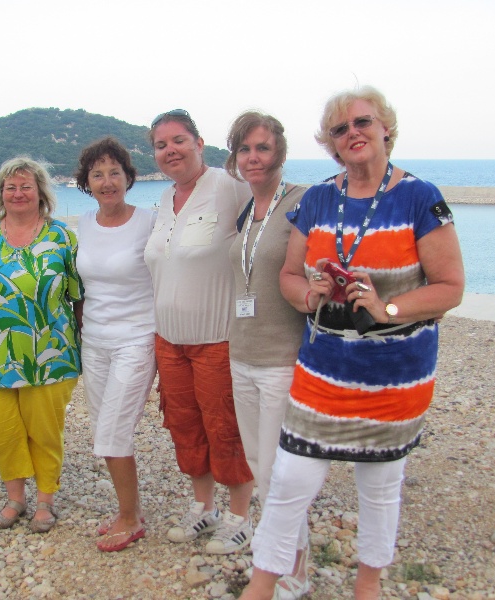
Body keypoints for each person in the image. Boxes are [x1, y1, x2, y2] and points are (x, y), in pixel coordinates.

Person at [241, 87, 464, 600]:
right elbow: (289, 276)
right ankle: (260, 588)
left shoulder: (420, 197)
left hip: (393, 377)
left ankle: (368, 589)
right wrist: (309, 295)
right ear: (330, 142)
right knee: (288, 482)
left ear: (386, 127)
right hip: (322, 372)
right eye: (340, 129)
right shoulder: (318, 198)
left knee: (380, 491)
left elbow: (450, 287)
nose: (352, 134)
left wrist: (387, 308)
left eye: (362, 122)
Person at [143, 109, 255, 555]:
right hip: (169, 340)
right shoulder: (164, 200)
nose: (170, 150)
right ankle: (203, 507)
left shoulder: (228, 187)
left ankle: (239, 517)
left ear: (199, 143)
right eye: (161, 145)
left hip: (217, 338)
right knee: (185, 425)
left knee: (225, 426)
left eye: (178, 140)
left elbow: (269, 225)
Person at [0, 157, 81, 534]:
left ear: (41, 192)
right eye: (10, 187)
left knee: (44, 429)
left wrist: (84, 339)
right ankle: (15, 498)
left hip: (51, 354)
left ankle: (45, 500)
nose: (18, 193)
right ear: (0, 194)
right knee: (2, 428)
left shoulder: (61, 237)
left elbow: (79, 295)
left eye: (26, 186)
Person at [225, 111, 312, 591]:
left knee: (281, 472)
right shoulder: (246, 209)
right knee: (259, 466)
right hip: (242, 353)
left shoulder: (301, 202)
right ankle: (280, 552)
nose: (253, 157)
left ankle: (294, 569)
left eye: (261, 147)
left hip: (282, 358)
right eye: (244, 149)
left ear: (279, 151)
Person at [73, 137, 157, 552]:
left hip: (136, 338)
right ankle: (131, 509)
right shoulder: (83, 223)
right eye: (97, 174)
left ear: (128, 177)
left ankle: (129, 519)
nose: (107, 182)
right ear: (86, 182)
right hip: (94, 340)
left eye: (114, 173)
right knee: (104, 429)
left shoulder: (150, 221)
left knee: (113, 430)